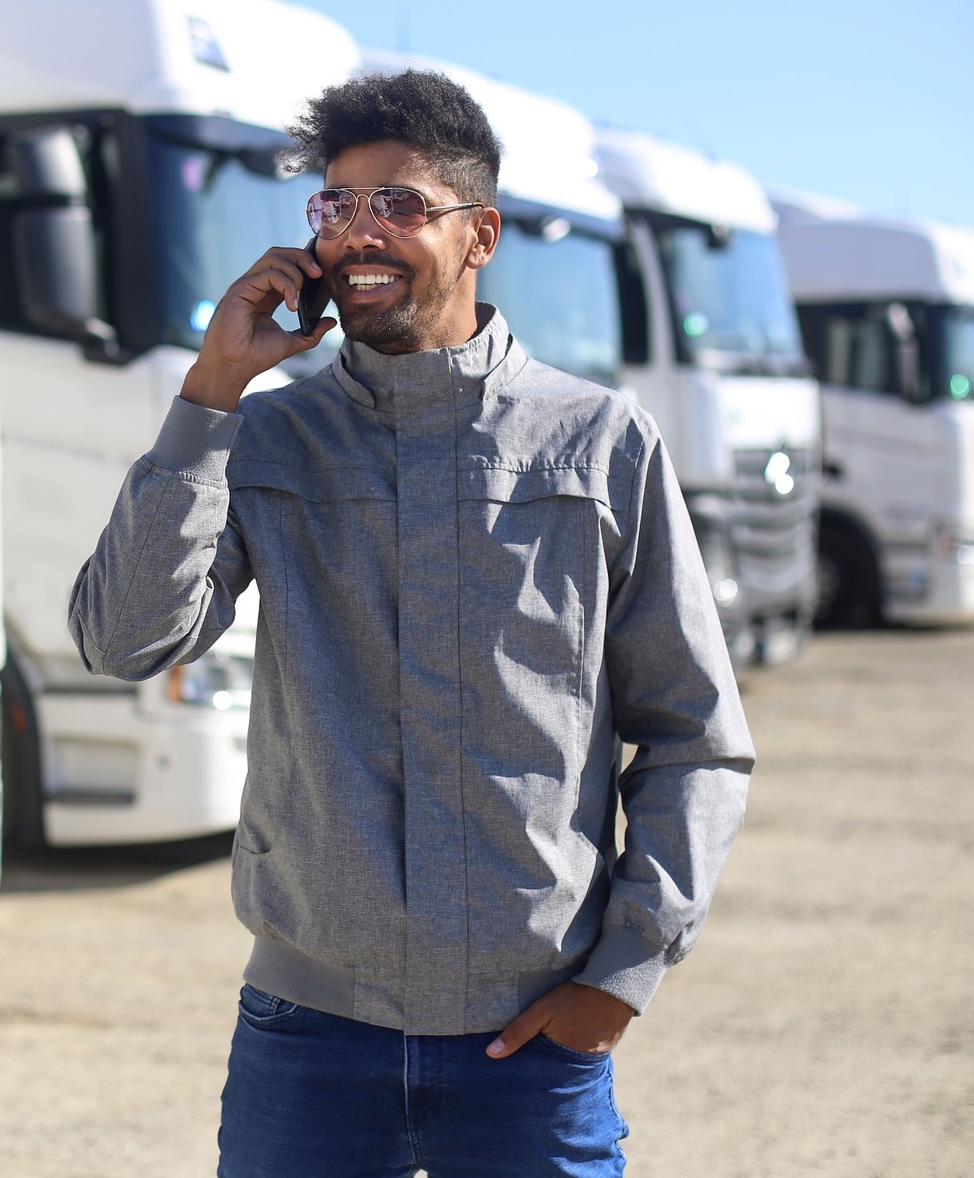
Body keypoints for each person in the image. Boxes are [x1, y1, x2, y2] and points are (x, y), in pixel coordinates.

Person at [67, 70, 755, 1178]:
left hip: (532, 1045)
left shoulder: (599, 442)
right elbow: (122, 640)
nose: (357, 233)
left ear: (480, 233)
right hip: (308, 1042)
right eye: (336, 206)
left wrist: (617, 981)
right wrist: (208, 396)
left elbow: (695, 736)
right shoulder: (266, 439)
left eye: (398, 204)